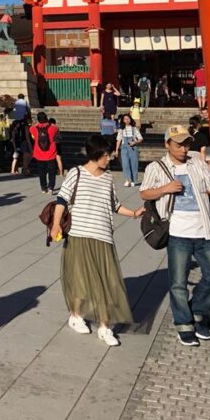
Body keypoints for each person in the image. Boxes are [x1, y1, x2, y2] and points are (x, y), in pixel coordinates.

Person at [140, 124, 210, 345]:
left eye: (186, 143)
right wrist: (165, 189)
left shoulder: (197, 164)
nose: (183, 148)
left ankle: (197, 312)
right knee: (178, 282)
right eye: (178, 144)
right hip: (177, 234)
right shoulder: (156, 167)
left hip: (204, 231)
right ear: (167, 144)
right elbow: (144, 192)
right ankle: (184, 324)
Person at [51, 134, 144, 347]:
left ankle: (104, 326)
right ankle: (76, 316)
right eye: (107, 154)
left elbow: (114, 205)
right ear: (97, 154)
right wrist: (56, 224)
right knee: (79, 278)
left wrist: (133, 213)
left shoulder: (108, 178)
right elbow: (61, 200)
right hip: (79, 234)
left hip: (103, 236)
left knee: (106, 281)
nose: (110, 158)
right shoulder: (76, 174)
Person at [30, 111, 59, 194]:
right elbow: (57, 131)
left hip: (39, 154)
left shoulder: (33, 128)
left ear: (38, 120)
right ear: (46, 118)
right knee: (52, 172)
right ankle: (51, 188)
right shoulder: (53, 128)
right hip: (51, 153)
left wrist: (37, 124)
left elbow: (31, 129)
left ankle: (43, 188)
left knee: (41, 172)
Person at [115, 113, 143, 187]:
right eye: (125, 119)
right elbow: (119, 139)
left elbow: (140, 138)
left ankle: (133, 180)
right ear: (123, 121)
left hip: (133, 148)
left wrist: (135, 142)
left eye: (128, 119)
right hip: (124, 148)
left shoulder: (134, 128)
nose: (126, 120)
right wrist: (117, 150)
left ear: (130, 119)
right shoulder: (121, 130)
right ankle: (128, 179)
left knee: (134, 164)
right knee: (125, 164)